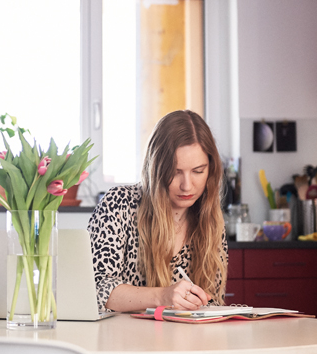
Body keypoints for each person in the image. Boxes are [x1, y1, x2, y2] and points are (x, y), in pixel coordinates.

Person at [88, 109, 229, 313]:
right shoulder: (118, 204)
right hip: (122, 341)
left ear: (211, 169)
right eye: (175, 172)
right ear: (156, 168)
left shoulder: (212, 223)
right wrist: (163, 296)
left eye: (198, 171)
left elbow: (214, 304)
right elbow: (97, 289)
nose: (187, 186)